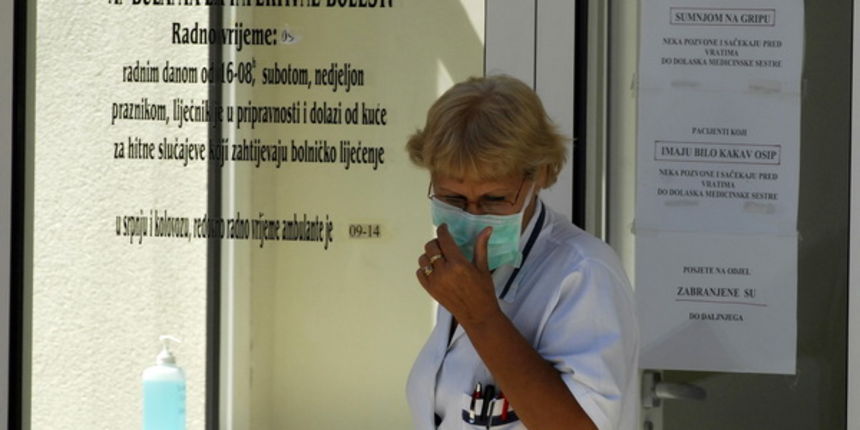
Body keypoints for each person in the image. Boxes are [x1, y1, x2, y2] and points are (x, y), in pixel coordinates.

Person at [404, 75, 638, 430]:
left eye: (494, 199)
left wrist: (481, 316)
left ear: (540, 175)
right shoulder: (465, 272)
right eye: (452, 199)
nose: (472, 215)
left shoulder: (583, 272)